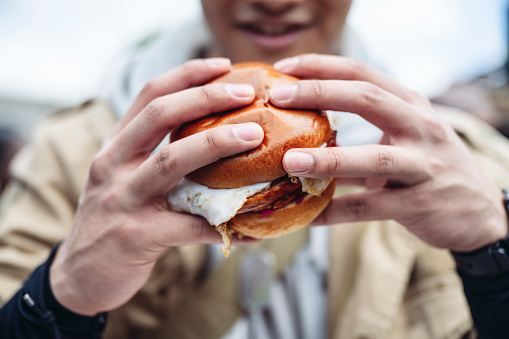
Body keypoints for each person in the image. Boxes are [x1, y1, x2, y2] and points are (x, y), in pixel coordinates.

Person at [1, 0, 509, 338]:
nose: (273, 1)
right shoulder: (72, 156)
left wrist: (493, 252)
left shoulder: (467, 161)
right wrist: (61, 293)